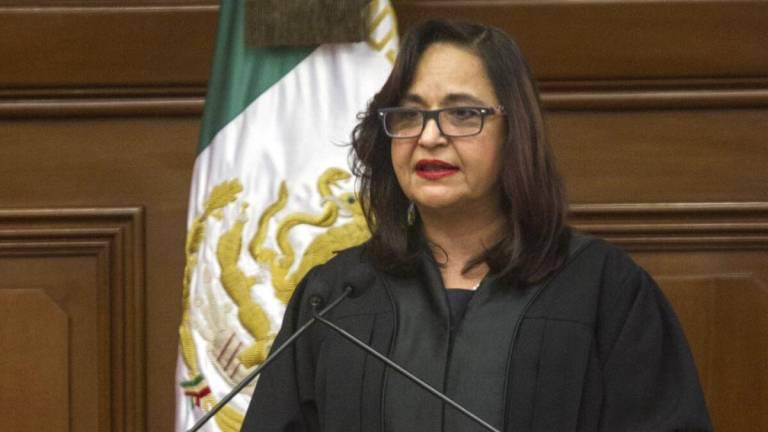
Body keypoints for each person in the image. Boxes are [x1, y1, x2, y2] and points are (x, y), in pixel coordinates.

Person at [241, 19, 712, 431]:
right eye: (410, 114)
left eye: (462, 113)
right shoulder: (336, 297)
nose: (429, 136)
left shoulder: (604, 291)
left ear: (514, 131)